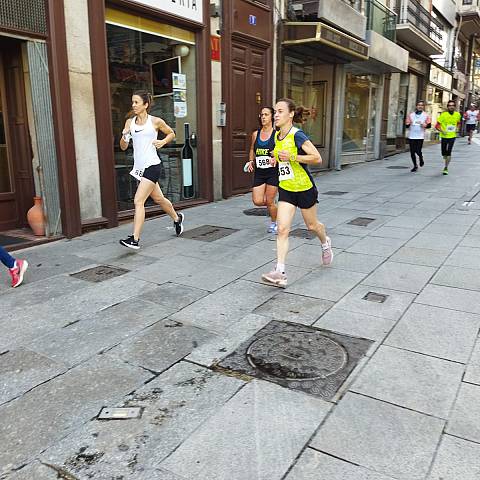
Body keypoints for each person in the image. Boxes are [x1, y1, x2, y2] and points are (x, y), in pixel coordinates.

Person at [261, 98, 333, 288]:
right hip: (286, 189)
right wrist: (275, 160)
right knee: (282, 229)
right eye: (275, 111)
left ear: (291, 114)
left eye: (280, 111)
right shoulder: (277, 136)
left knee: (312, 226)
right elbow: (279, 155)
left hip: (304, 188)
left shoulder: (297, 135)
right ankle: (280, 271)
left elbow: (316, 158)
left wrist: (292, 157)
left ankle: (325, 242)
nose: (276, 115)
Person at [119, 91, 184, 249]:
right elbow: (123, 147)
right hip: (140, 168)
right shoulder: (129, 123)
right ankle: (177, 218)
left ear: (145, 105)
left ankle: (135, 239)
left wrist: (162, 142)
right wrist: (125, 136)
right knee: (159, 199)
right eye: (132, 102)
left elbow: (171, 133)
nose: (133, 105)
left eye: (136, 102)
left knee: (138, 200)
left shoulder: (155, 121)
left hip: (153, 165)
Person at [245, 107, 278, 233]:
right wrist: (250, 161)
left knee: (269, 201)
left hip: (272, 172)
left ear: (272, 117)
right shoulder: (255, 134)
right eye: (261, 115)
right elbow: (252, 149)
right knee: (257, 201)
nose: (263, 117)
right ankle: (273, 205)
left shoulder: (277, 135)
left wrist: (275, 155)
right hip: (259, 172)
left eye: (266, 114)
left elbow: (281, 151)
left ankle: (274, 223)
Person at [435, 100, 462, 176]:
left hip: (452, 136)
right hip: (444, 136)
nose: (451, 107)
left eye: (453, 105)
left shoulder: (457, 114)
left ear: (454, 106)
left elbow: (458, 123)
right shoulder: (443, 115)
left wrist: (457, 128)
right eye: (450, 105)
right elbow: (437, 126)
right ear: (447, 107)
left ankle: (446, 168)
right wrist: (442, 131)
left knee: (449, 152)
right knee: (444, 153)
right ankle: (445, 155)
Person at [405, 100, 431, 172]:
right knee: (412, 152)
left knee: (418, 150)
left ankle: (420, 157)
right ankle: (415, 165)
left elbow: (429, 125)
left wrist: (425, 125)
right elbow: (407, 125)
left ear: (423, 107)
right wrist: (408, 124)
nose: (420, 106)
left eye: (422, 105)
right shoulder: (411, 115)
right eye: (419, 105)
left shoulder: (426, 115)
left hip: (420, 136)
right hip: (412, 136)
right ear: (416, 106)